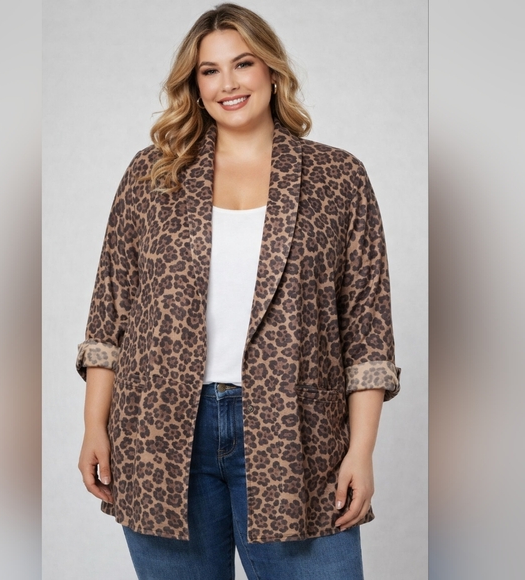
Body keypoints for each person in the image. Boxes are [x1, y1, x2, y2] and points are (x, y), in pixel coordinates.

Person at [77, 3, 400, 579]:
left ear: (271, 71)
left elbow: (367, 329)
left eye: (243, 64)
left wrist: (361, 450)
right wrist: (94, 427)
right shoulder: (153, 175)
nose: (227, 83)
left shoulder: (338, 178)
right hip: (159, 431)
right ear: (195, 85)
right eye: (210, 70)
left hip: (294, 433)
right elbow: (110, 311)